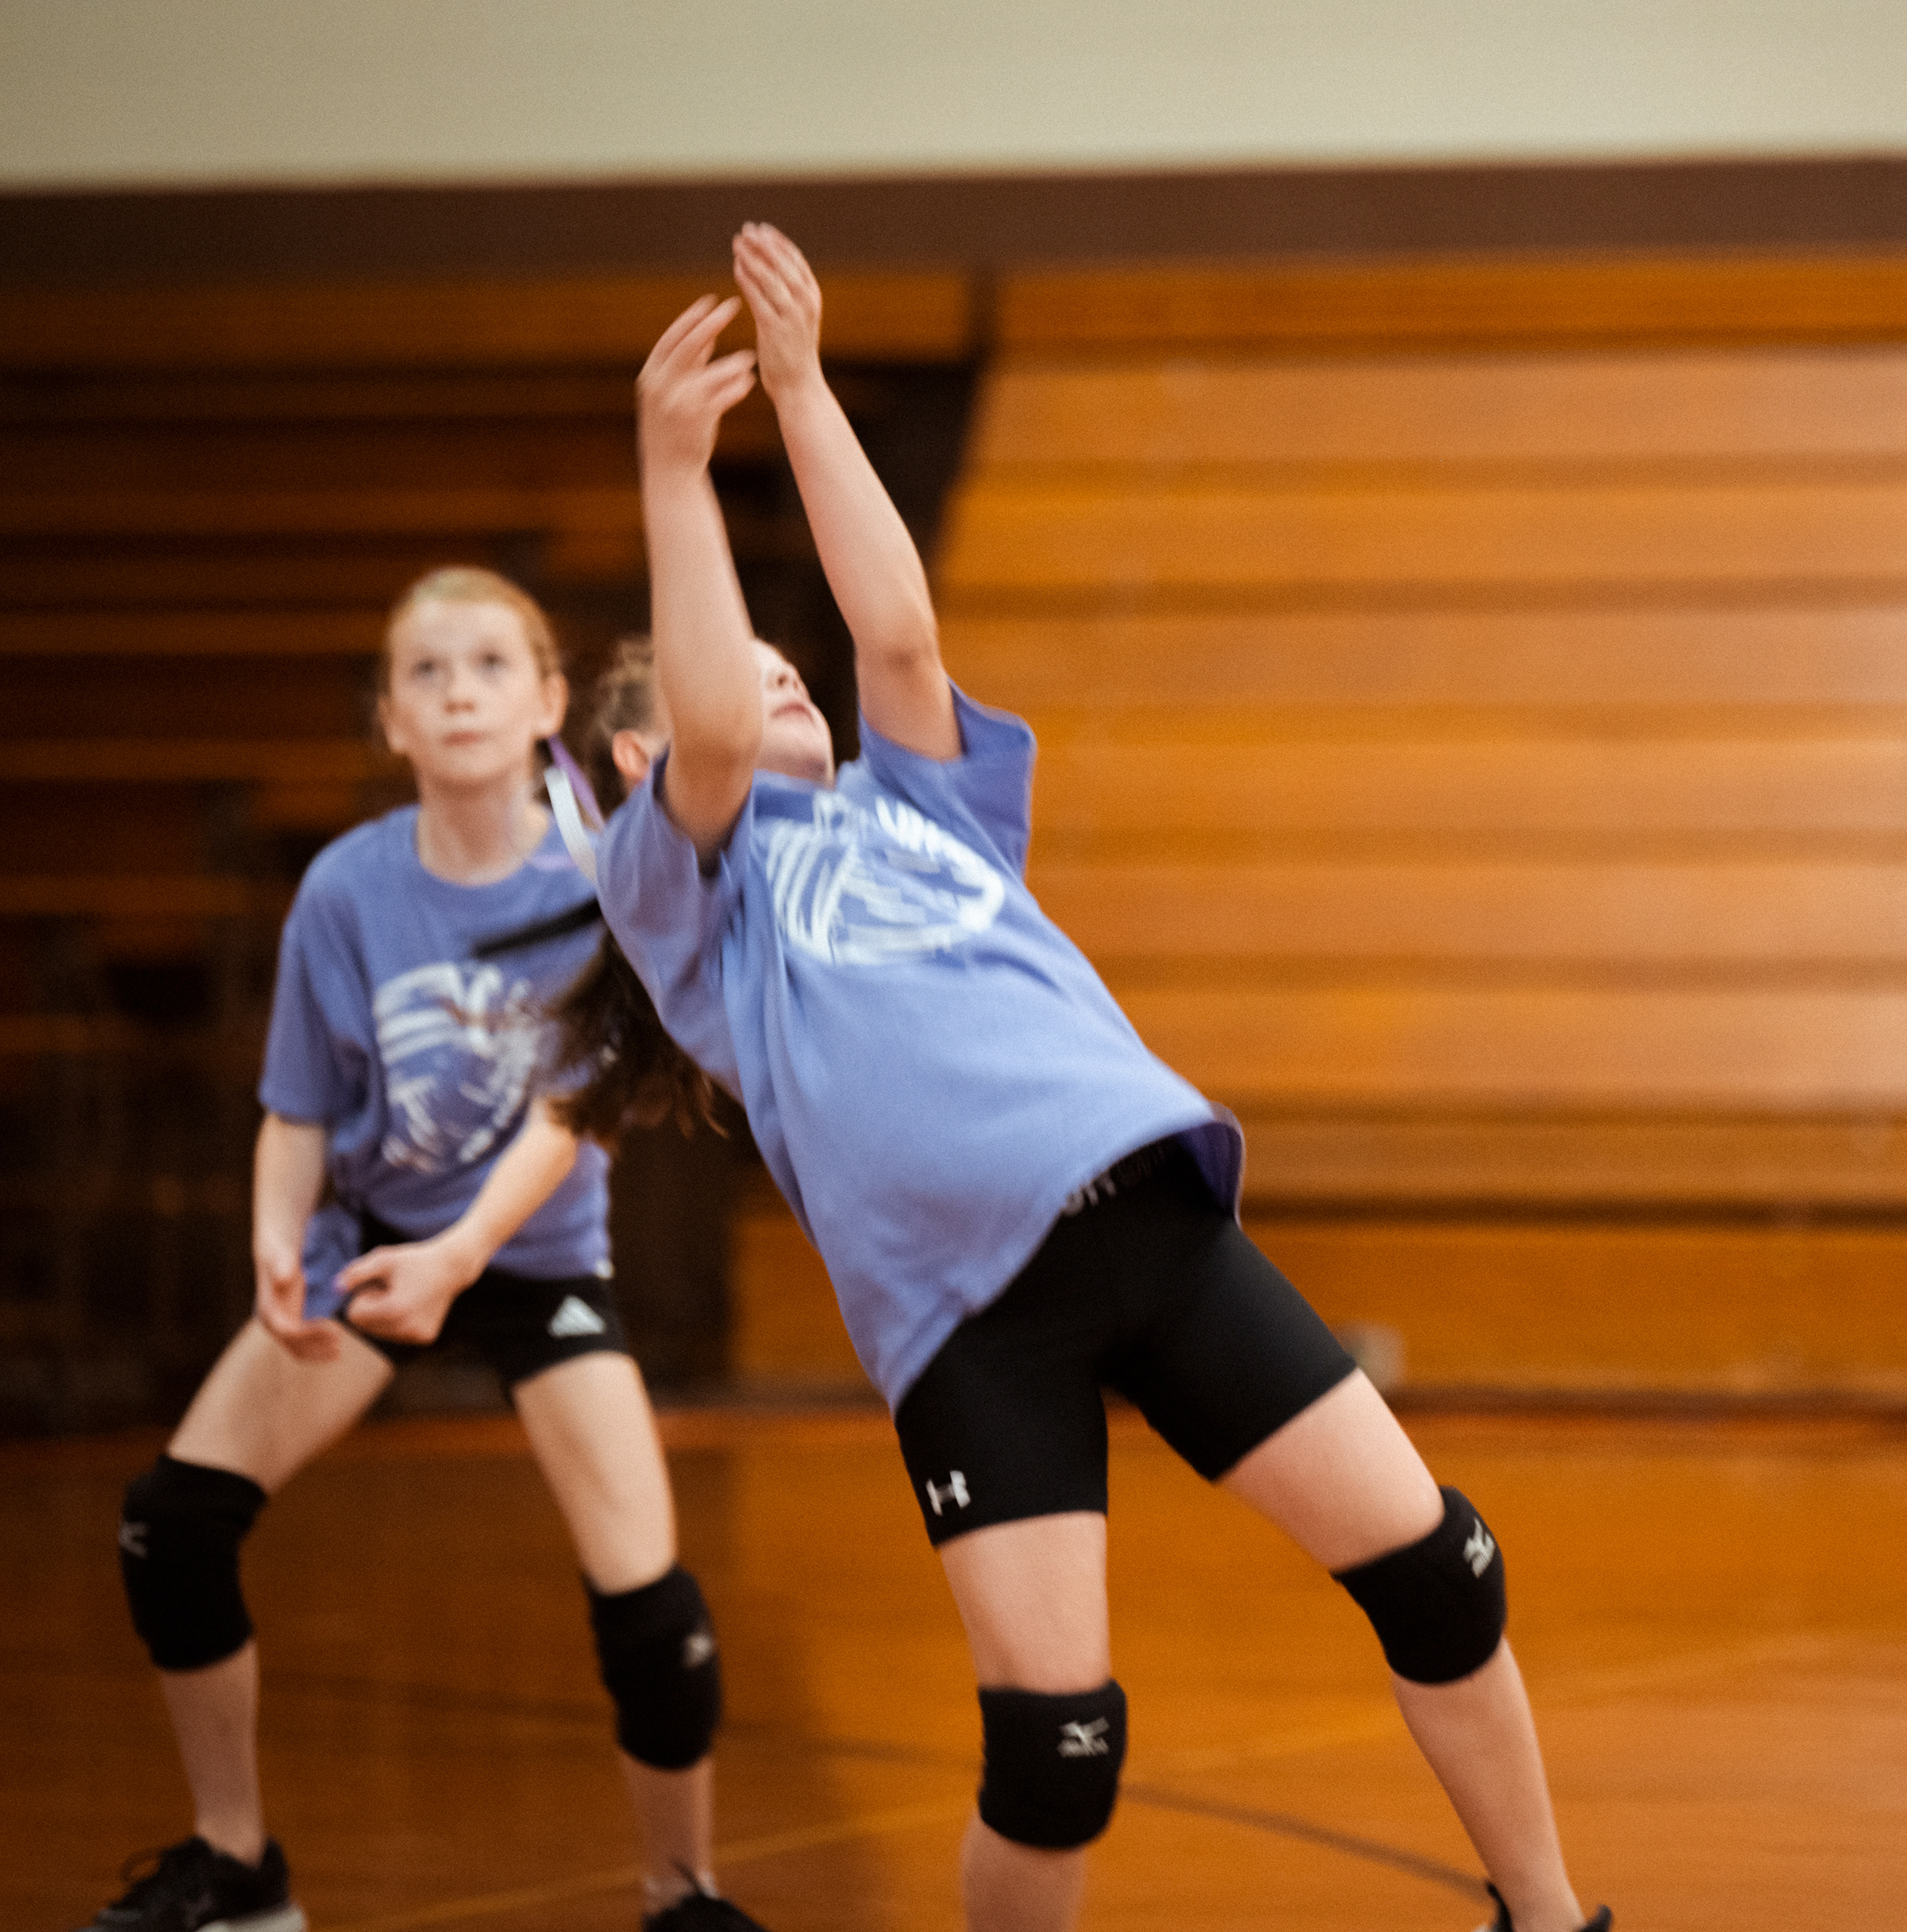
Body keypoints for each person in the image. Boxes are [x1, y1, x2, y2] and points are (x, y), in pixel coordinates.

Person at [556, 222, 1610, 1932]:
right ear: (637, 756)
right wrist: (676, 471)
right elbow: (718, 730)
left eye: (788, 673)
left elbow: (898, 637)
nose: (782, 690)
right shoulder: (693, 902)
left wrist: (805, 391)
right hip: (974, 1323)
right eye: (744, 672)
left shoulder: (923, 805)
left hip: (1148, 1221)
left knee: (1441, 1571)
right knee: (1058, 1757)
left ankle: (1551, 1917)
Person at [82, 568, 771, 1932]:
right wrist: (278, 1243)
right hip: (377, 1245)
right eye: (427, 673)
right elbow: (298, 1107)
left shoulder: (601, 876)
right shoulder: (346, 889)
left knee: (655, 1613)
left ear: (549, 702)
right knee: (171, 1526)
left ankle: (682, 1894)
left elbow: (572, 1117)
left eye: (491, 667)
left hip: (534, 1262)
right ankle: (237, 1865)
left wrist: (462, 1254)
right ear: (391, 719)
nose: (460, 694)